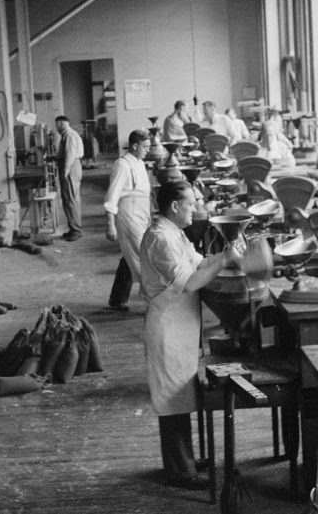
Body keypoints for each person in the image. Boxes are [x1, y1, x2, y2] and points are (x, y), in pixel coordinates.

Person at [140, 180, 241, 490]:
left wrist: (225, 253)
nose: (196, 210)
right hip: (167, 326)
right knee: (172, 400)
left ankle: (186, 460)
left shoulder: (175, 233)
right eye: (191, 204)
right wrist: (224, 260)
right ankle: (180, 472)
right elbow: (192, 281)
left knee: (182, 395)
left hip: (180, 324)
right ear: (174, 206)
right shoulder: (160, 238)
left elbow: (199, 262)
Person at [104, 129, 152, 311]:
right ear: (134, 146)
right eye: (145, 147)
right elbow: (111, 197)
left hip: (141, 213)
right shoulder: (122, 165)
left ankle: (117, 299)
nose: (148, 150)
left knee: (129, 256)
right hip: (129, 215)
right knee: (143, 259)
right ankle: (152, 302)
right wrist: (110, 225)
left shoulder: (139, 163)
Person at [50, 115, 84, 240]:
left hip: (71, 168)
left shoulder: (69, 135)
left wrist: (65, 172)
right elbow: (65, 153)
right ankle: (72, 228)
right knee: (68, 199)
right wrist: (54, 157)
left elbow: (70, 155)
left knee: (71, 199)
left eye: (56, 124)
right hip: (71, 167)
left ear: (59, 123)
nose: (56, 127)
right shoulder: (67, 135)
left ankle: (76, 230)